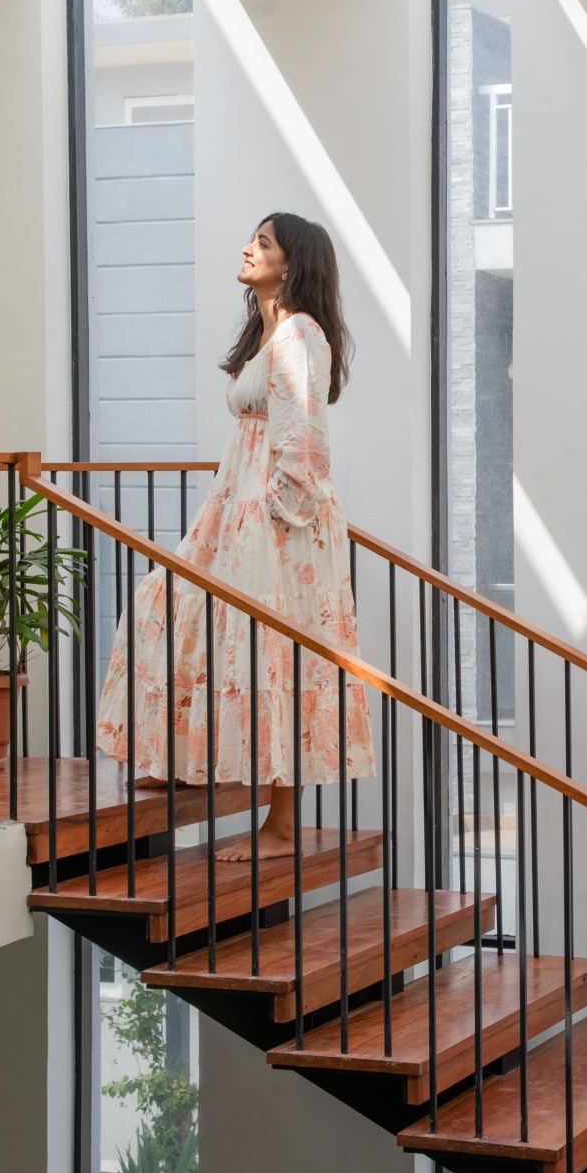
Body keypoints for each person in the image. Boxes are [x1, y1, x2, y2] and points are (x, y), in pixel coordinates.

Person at [96, 211, 375, 860]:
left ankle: (280, 825)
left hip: (275, 523)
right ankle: (179, 758)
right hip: (240, 507)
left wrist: (269, 517)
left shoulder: (300, 335)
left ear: (293, 261)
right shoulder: (270, 333)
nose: (249, 249)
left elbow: (304, 444)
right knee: (172, 606)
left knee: (273, 648)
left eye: (265, 242)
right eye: (254, 239)